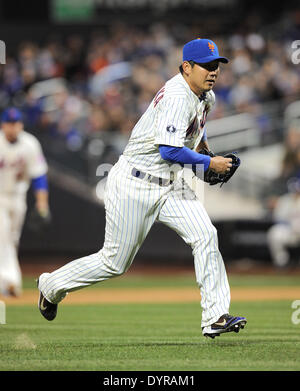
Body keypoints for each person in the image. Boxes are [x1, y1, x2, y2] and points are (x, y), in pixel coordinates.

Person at [37, 38, 247, 339]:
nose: (212, 72)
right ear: (186, 67)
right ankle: (51, 285)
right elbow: (169, 151)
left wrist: (206, 156)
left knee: (205, 234)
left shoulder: (205, 97)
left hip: (170, 185)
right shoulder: (177, 95)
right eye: (205, 66)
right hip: (135, 183)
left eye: (216, 66)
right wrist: (209, 164)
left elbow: (194, 136)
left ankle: (215, 317)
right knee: (114, 263)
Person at [0, 107, 50, 297]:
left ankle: (5, 283)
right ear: (3, 125)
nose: (13, 127)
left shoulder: (30, 143)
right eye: (9, 123)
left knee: (12, 239)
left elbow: (39, 176)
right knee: (2, 236)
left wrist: (42, 203)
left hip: (18, 197)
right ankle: (11, 281)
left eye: (16, 123)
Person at [267, 177, 300, 268]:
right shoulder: (284, 200)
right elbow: (278, 218)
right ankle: (281, 263)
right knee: (274, 233)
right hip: (289, 231)